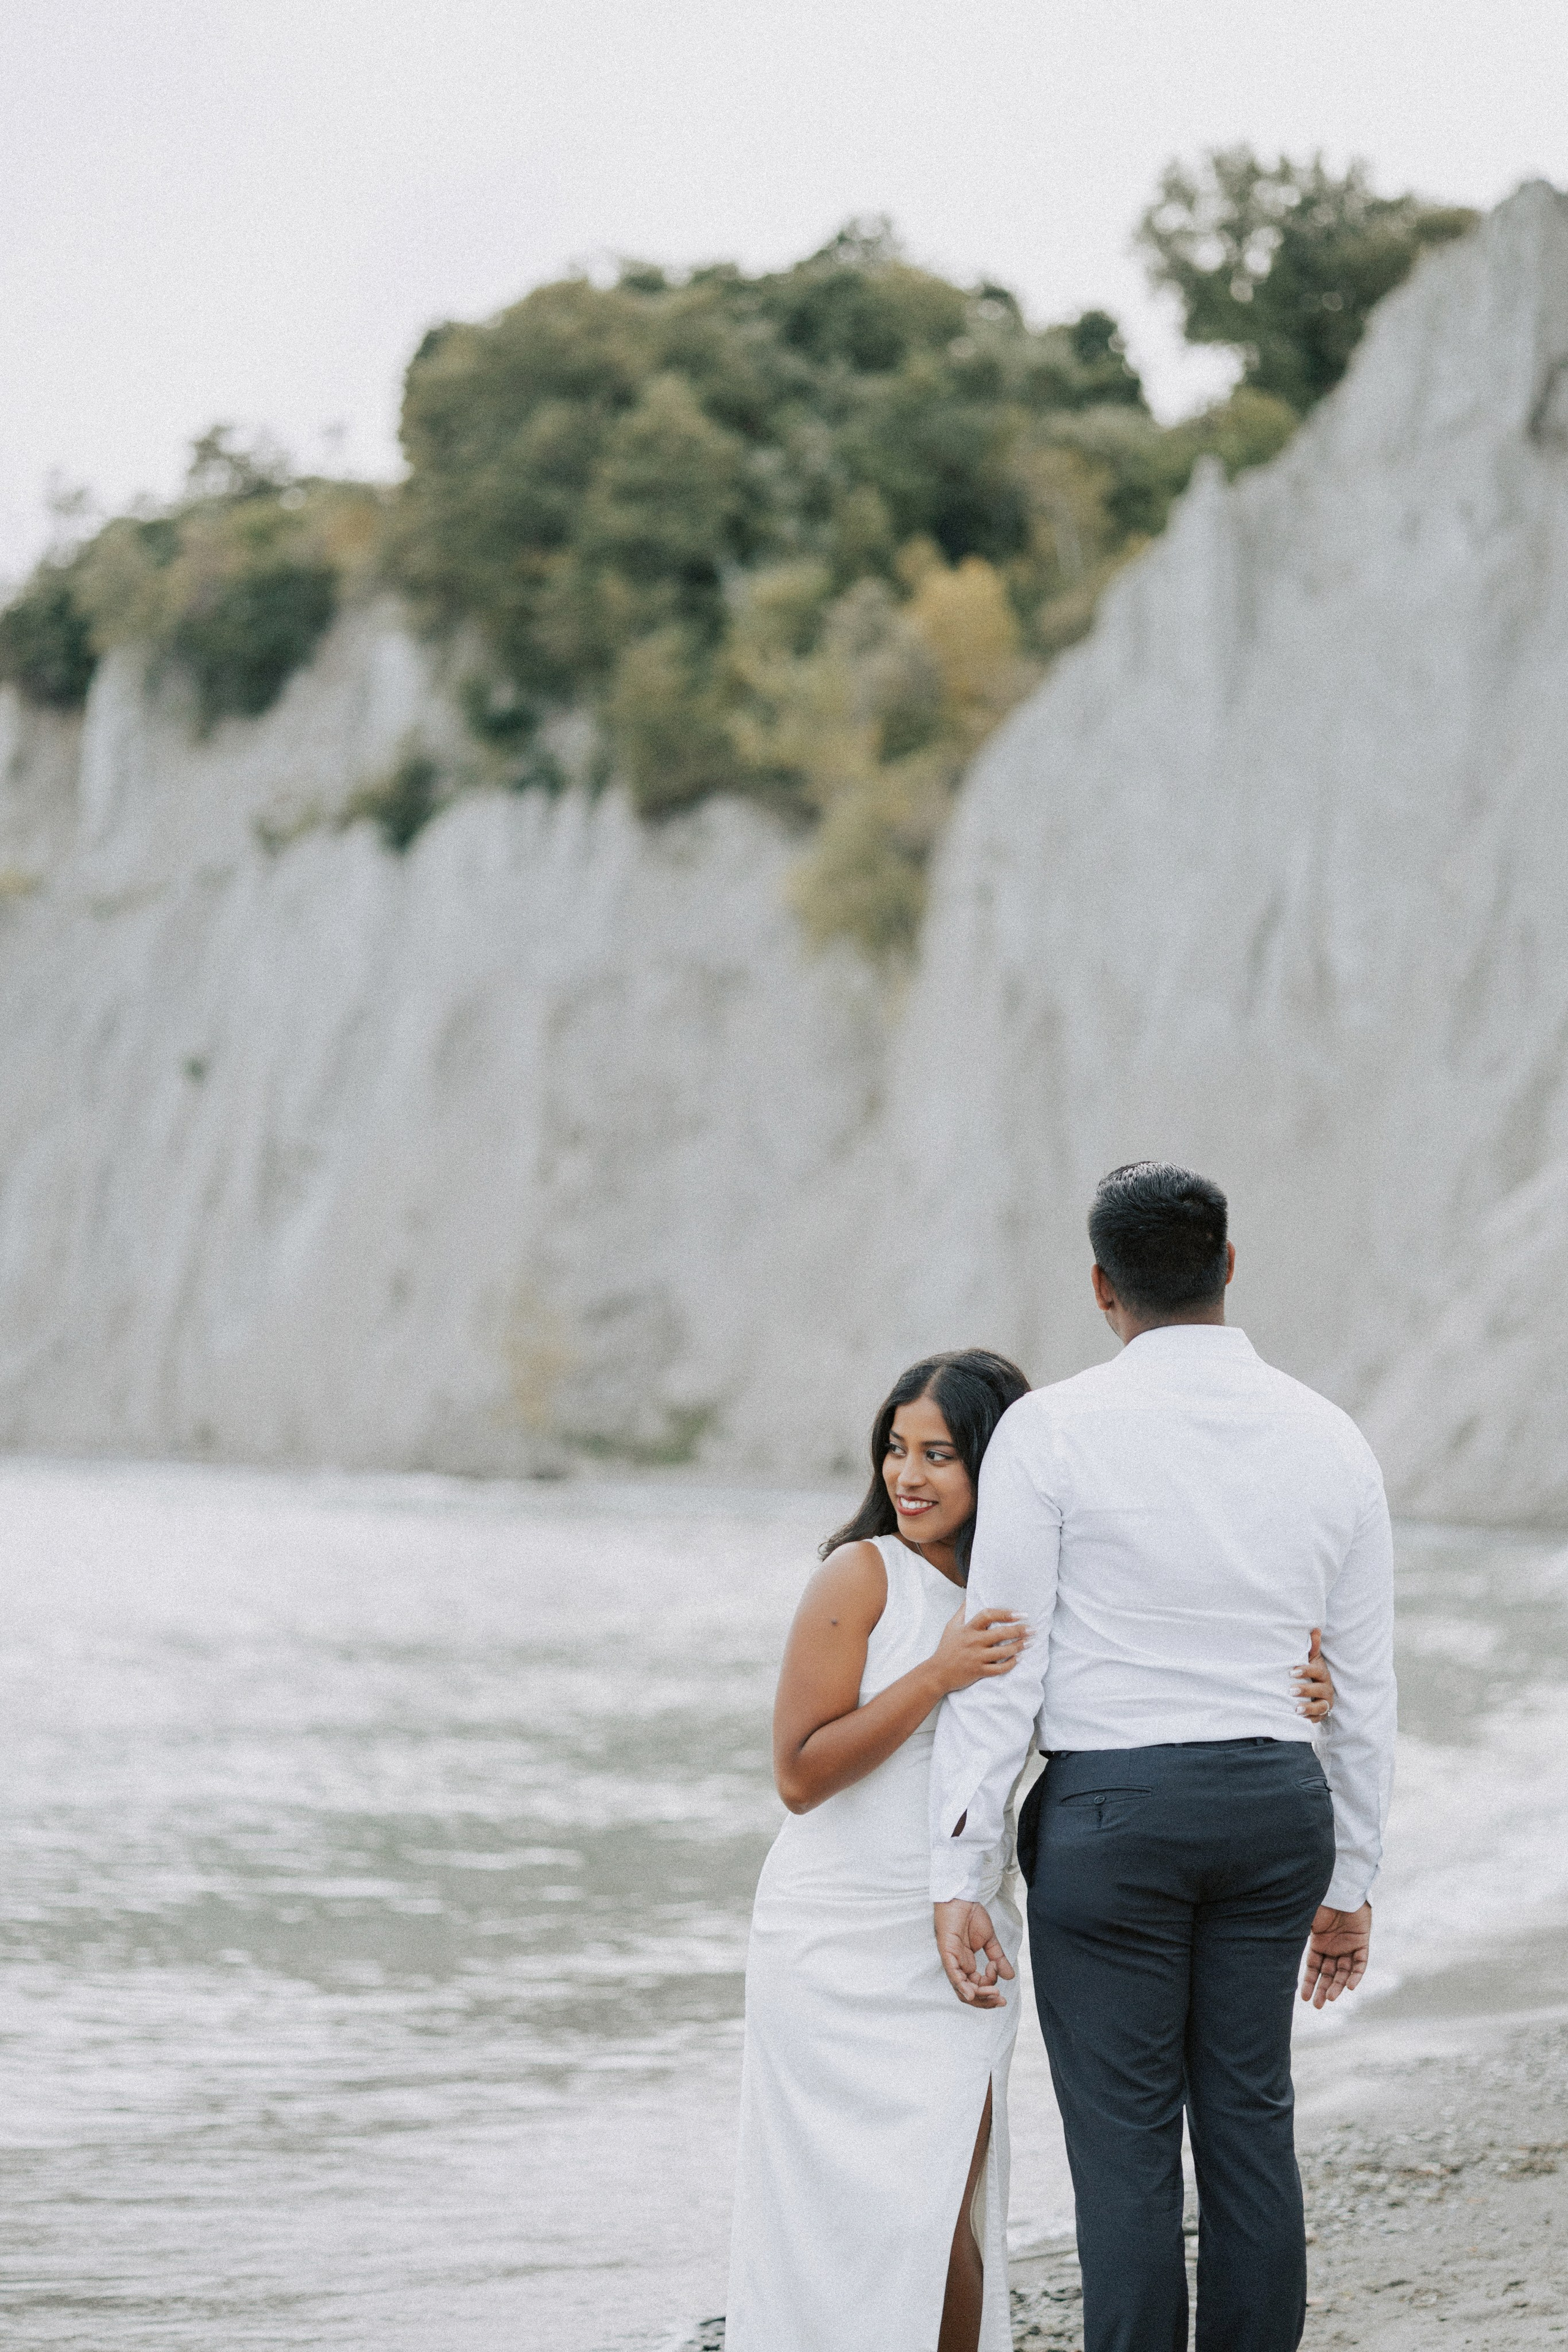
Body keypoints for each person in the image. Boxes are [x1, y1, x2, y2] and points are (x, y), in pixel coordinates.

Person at [726, 1345, 1339, 2352]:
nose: (908, 1477)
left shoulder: (1034, 1585)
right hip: (833, 1933)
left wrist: (1306, 1688)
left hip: (955, 1931)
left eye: (940, 1455)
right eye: (895, 1449)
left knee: (945, 2207)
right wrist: (936, 1674)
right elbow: (799, 1773)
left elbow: (1137, 1681)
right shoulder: (860, 1573)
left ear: (997, 1467)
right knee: (826, 2209)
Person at [929, 1163, 1396, 2352]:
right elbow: (1360, 1686)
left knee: (1123, 2146)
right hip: (1272, 1808)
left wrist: (959, 1867)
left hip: (1112, 1819)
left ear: (1100, 1286)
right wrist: (1350, 1883)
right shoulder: (1329, 1437)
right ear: (1227, 1266)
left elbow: (1002, 1665)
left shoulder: (1051, 1430)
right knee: (1248, 2120)